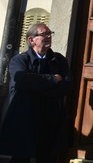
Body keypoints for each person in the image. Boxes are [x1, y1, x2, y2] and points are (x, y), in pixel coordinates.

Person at [0, 22, 72, 163]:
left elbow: (66, 86)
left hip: (50, 120)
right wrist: (52, 79)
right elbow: (22, 81)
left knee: (48, 157)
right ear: (31, 40)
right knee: (20, 158)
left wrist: (37, 87)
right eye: (44, 34)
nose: (48, 37)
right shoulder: (19, 60)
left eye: (50, 33)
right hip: (24, 119)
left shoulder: (59, 60)